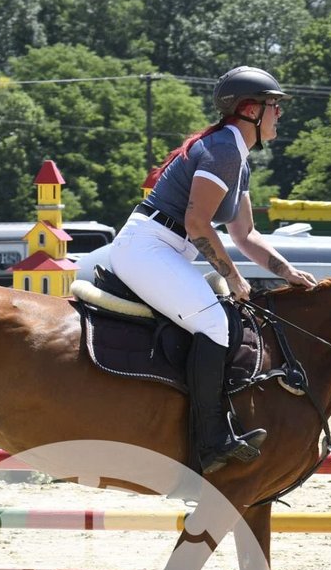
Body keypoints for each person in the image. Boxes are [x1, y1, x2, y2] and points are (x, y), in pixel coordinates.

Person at [108, 65, 316, 473]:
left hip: (165, 249)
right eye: (274, 105)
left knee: (218, 319)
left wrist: (287, 271)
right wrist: (234, 277)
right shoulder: (223, 150)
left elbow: (245, 234)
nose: (279, 113)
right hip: (147, 247)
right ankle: (211, 440)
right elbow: (197, 223)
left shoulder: (237, 157)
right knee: (215, 323)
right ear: (251, 110)